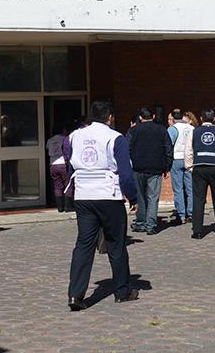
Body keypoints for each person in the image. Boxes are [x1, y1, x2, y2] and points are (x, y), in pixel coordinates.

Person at [66, 101, 139, 311]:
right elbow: (125, 173)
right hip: (108, 194)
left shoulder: (74, 136)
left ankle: (75, 294)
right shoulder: (115, 137)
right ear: (110, 117)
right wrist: (132, 197)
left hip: (83, 194)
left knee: (84, 244)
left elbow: (69, 161)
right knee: (116, 244)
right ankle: (122, 291)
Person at [129, 107, 173, 235]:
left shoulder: (133, 130)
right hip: (156, 168)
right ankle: (151, 225)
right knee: (153, 197)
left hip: (138, 167)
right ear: (153, 116)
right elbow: (168, 149)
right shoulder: (162, 130)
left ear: (140, 117)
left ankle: (141, 222)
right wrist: (167, 167)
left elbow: (127, 147)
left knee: (140, 197)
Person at [184, 108, 215, 239]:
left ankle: (197, 231)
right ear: (214, 119)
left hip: (199, 168)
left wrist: (190, 167)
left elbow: (188, 151)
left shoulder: (194, 132)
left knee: (198, 199)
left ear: (201, 119)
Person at [168, 109, 194, 224]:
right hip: (189, 159)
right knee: (190, 188)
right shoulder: (191, 128)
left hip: (177, 158)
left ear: (173, 118)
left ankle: (181, 214)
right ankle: (191, 213)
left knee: (178, 188)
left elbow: (168, 144)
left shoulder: (173, 129)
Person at [46, 124, 70, 212]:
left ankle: (60, 207)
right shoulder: (65, 138)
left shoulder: (50, 140)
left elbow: (47, 148)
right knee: (67, 185)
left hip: (53, 164)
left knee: (57, 186)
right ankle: (68, 206)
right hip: (63, 163)